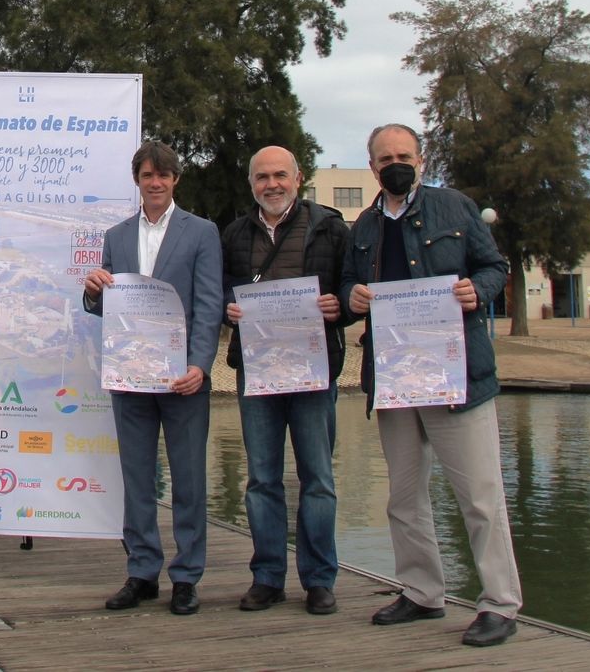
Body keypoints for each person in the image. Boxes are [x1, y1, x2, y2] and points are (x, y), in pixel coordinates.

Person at [339, 123, 522, 647]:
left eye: (404, 155)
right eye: (385, 157)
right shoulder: (365, 227)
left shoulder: (455, 208)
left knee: (480, 495)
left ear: (420, 160)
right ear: (372, 166)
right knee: (403, 496)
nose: (395, 163)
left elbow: (495, 266)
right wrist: (352, 297)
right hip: (394, 378)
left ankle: (500, 603)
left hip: (456, 374)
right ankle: (421, 592)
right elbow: (350, 283)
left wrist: (477, 291)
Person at [82, 140, 222, 616]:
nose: (155, 182)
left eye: (163, 175)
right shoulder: (117, 236)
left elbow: (209, 305)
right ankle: (142, 571)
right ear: (137, 180)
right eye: (147, 175)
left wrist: (200, 366)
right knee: (137, 478)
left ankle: (186, 576)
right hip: (131, 377)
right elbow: (107, 306)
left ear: (175, 180)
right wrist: (92, 290)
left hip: (182, 378)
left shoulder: (202, 232)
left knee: (188, 481)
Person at [220, 146, 350, 616]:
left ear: (298, 179)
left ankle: (319, 580)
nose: (271, 184)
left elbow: (350, 287)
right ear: (251, 183)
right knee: (261, 480)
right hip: (257, 371)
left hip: (315, 371)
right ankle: (268, 577)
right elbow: (221, 289)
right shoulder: (234, 232)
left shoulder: (330, 227)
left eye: (280, 175)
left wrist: (342, 307)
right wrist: (226, 309)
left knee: (318, 479)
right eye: (261, 177)